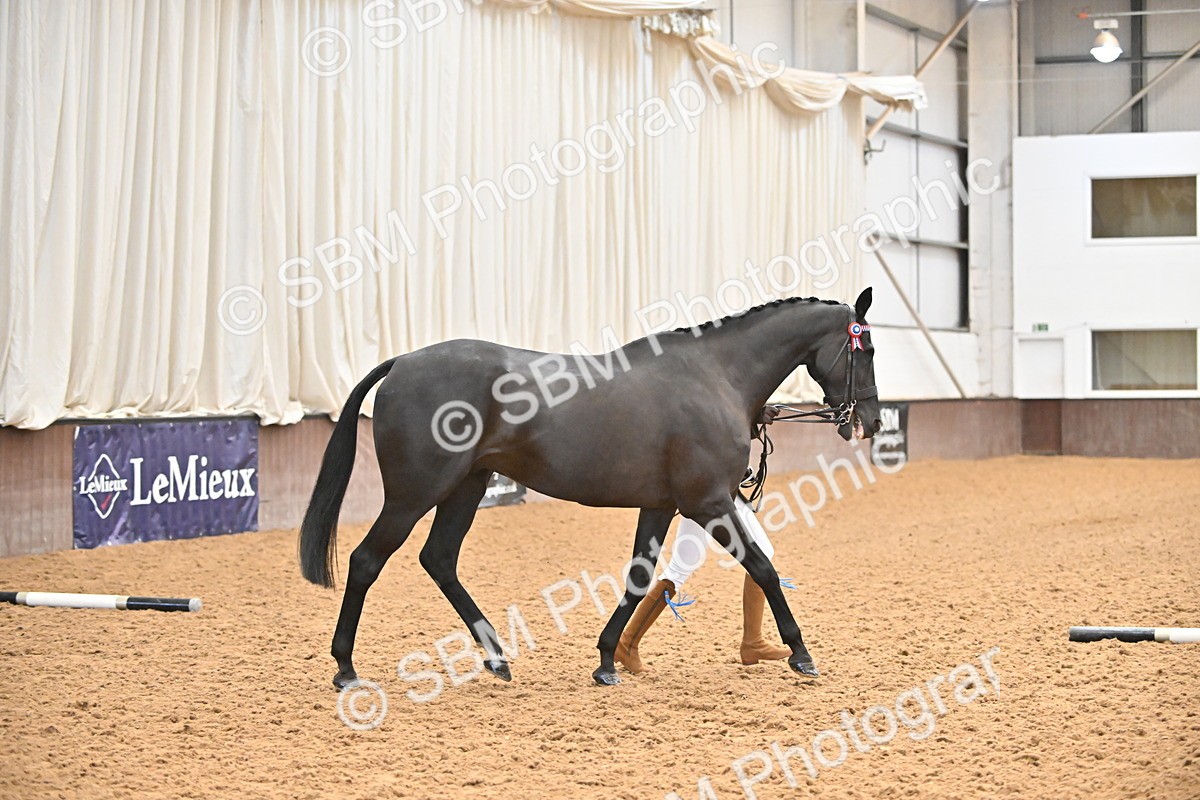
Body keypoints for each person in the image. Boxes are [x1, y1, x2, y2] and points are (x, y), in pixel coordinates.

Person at [615, 406, 791, 673]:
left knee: (691, 562)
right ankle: (626, 643)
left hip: (714, 488)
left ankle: (752, 642)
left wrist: (755, 418)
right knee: (686, 564)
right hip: (704, 491)